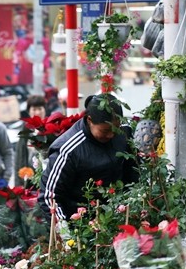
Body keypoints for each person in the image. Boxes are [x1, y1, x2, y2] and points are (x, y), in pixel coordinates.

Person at [39, 94, 138, 224]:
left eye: (116, 129)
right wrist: (65, 231)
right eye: (104, 131)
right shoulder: (68, 149)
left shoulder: (124, 131)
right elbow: (49, 196)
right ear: (89, 120)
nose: (111, 134)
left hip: (119, 215)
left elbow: (133, 171)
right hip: (81, 224)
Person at [14, 94, 48, 187]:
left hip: (47, 178)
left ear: (45, 109)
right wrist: (19, 183)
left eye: (40, 109)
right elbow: (19, 156)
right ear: (29, 111)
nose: (37, 112)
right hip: (29, 178)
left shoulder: (50, 128)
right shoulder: (25, 129)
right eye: (34, 109)